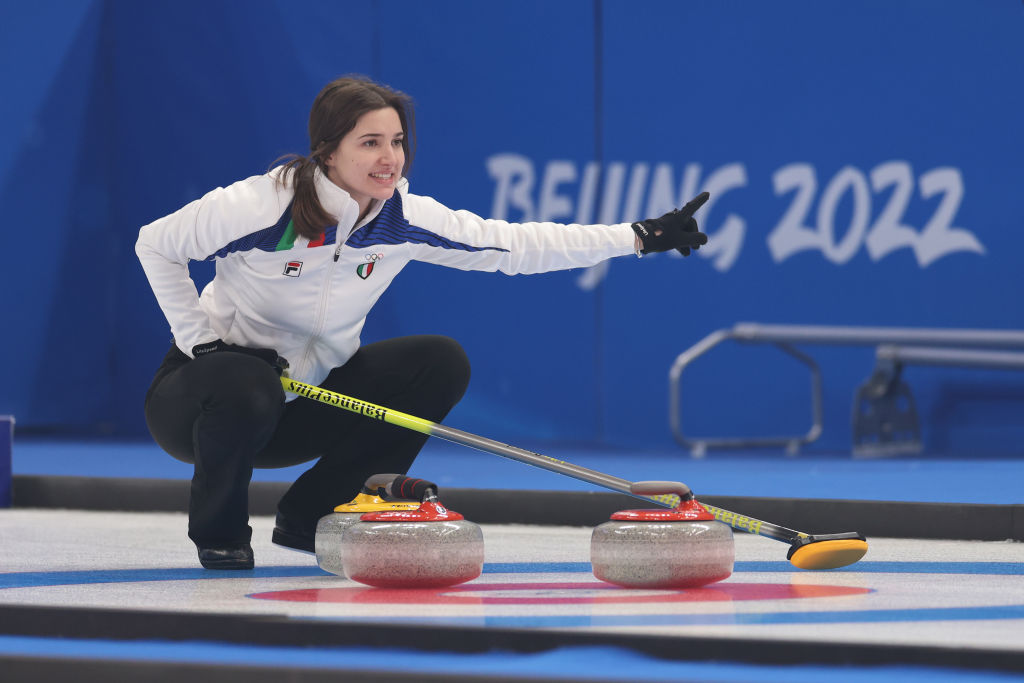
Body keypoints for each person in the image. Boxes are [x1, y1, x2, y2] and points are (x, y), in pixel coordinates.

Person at [135, 75, 710, 570]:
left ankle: (314, 516)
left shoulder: (402, 218)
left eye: (397, 141)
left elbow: (514, 246)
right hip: (204, 407)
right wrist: (203, 343)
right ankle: (221, 536)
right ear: (328, 150)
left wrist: (635, 237)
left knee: (438, 361)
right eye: (370, 143)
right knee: (246, 378)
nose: (390, 157)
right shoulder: (264, 206)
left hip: (303, 405)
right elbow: (155, 244)